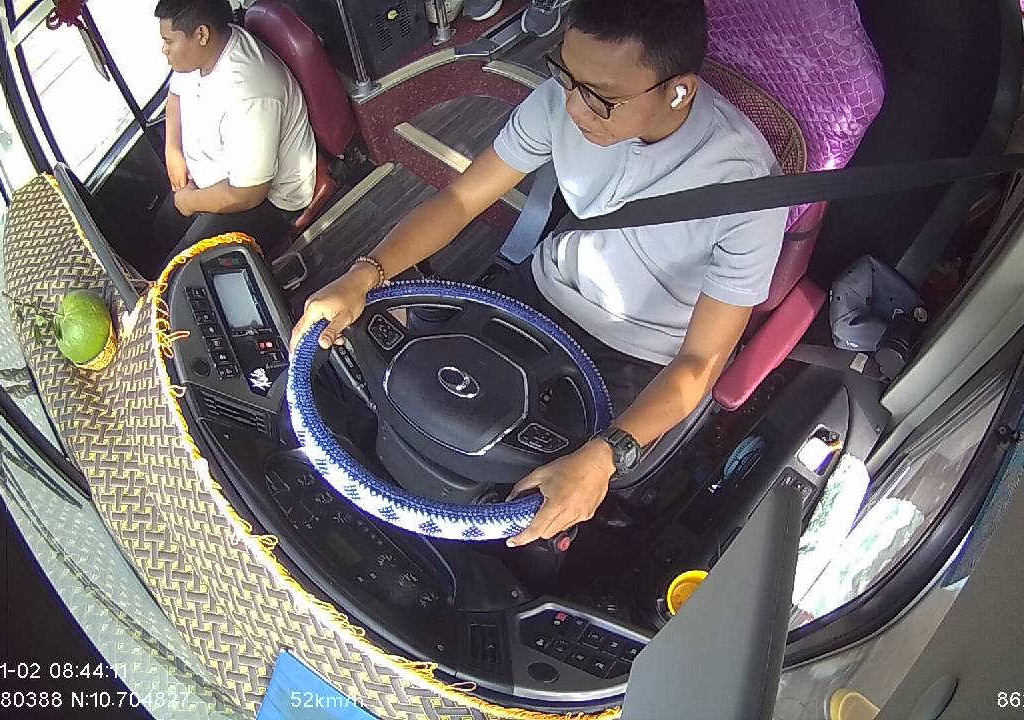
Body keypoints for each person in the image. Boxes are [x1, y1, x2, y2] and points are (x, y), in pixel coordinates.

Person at [291, 0, 787, 549]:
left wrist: (604, 458)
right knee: (413, 394)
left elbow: (700, 361)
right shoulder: (562, 99)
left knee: (528, 499)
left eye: (600, 97)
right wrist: (365, 274)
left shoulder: (748, 191)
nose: (573, 107)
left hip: (636, 354)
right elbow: (460, 200)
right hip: (540, 289)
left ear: (678, 91)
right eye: (565, 73)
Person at [154, 0, 316, 260]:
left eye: (169, 41)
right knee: (160, 229)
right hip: (210, 179)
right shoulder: (202, 54)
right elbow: (175, 97)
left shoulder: (249, 93)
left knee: (177, 268)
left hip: (263, 202)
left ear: (201, 34)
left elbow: (248, 194)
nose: (164, 49)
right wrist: (173, 150)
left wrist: (188, 202)